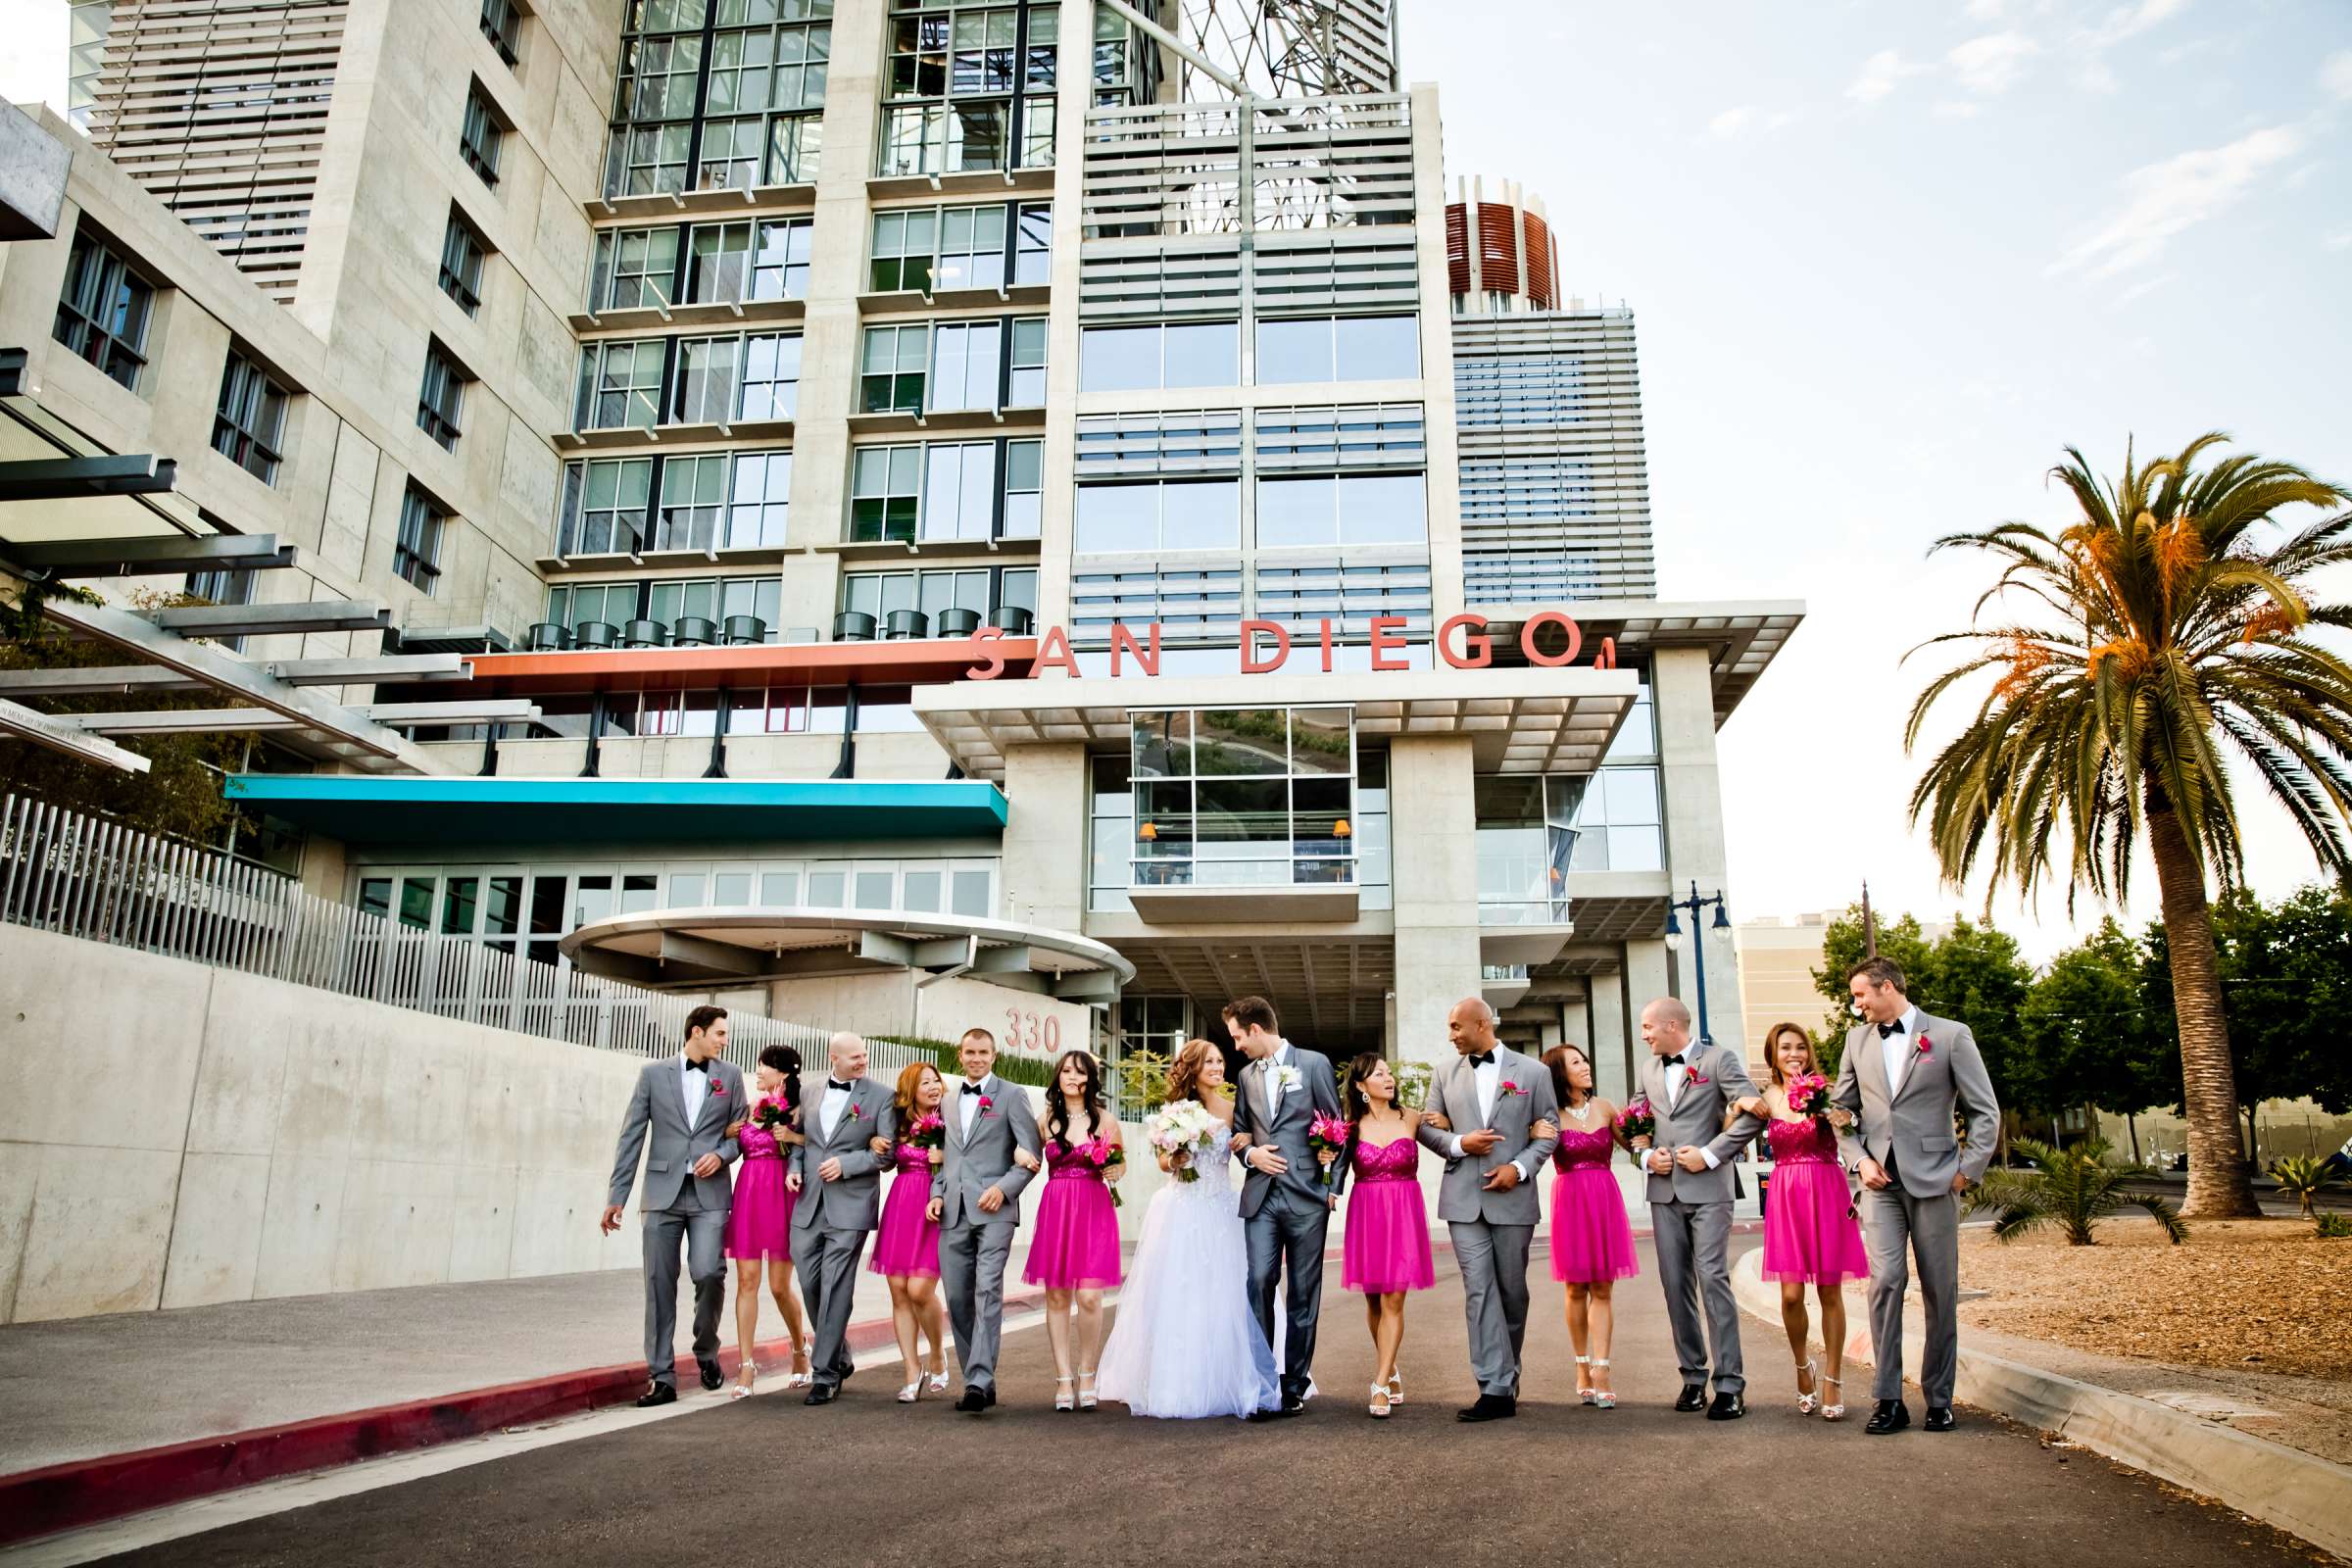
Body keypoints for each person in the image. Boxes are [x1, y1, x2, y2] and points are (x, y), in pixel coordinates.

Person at [1833, 956, 2000, 1435]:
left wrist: (1967, 1170)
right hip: (1878, 1184)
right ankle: (1887, 1399)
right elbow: (1841, 1112)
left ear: (1887, 988)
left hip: (1936, 1179)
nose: (1857, 1004)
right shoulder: (1856, 1040)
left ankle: (1940, 1398)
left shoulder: (1950, 1035)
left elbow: (1984, 1111)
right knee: (1885, 1281)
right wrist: (1859, 1159)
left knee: (1939, 1289)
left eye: (1861, 994)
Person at [1096, 1038, 1280, 1420]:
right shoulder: (1175, 1112)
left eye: (1219, 1061)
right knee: (1181, 1294)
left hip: (1220, 1208)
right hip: (1179, 1208)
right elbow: (1163, 1161)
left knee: (1227, 1293)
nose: (1217, 1067)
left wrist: (1245, 1142)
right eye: (1208, 1062)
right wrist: (1175, 1157)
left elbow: (1246, 1149)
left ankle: (1233, 1376)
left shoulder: (1234, 1110)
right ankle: (1180, 1381)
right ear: (1193, 1068)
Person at [1415, 997, 1560, 1422]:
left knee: (1512, 1291)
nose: (1451, 1035)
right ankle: (1493, 1387)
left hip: (1512, 1197)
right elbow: (1426, 1126)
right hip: (1462, 1200)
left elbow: (1548, 1133)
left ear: (1482, 1023)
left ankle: (1507, 1374)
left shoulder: (1532, 1072)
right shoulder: (1443, 1073)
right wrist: (1461, 1143)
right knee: (1479, 1289)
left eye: (1457, 1027)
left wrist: (1518, 1168)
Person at [601, 1004, 745, 1407]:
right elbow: (631, 1136)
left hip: (710, 1194)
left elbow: (740, 1135)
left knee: (709, 1271)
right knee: (658, 1284)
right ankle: (661, 1377)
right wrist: (617, 1197)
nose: (725, 1040)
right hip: (661, 1194)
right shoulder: (652, 1074)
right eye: (719, 1033)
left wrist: (721, 1154)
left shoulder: (731, 1077)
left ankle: (706, 1349)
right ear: (696, 1032)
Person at [1634, 996, 1764, 1420]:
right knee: (1675, 1286)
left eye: (1648, 1027)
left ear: (1672, 1025)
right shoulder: (1649, 1069)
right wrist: (1647, 1156)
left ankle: (1729, 1386)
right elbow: (1636, 1123)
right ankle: (1692, 1378)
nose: (1644, 1035)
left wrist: (1710, 1154)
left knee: (1712, 1280)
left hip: (1709, 1188)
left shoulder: (1719, 1060)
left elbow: (1754, 1112)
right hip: (1663, 1192)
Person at [1734, 1021, 1870, 1422]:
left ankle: (1833, 1377)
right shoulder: (1766, 1099)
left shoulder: (1826, 1092)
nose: (1794, 1054)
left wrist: (1838, 1115)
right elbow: (1729, 1134)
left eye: (1799, 1048)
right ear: (1772, 1056)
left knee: (1830, 1291)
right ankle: (1802, 1366)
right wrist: (1735, 1105)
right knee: (1791, 1295)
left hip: (1827, 1189)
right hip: (1786, 1194)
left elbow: (1854, 1123)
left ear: (1808, 1053)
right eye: (1784, 1048)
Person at [1227, 995, 1343, 1420]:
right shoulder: (1245, 1076)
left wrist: (1332, 1186)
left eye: (1239, 1037)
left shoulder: (1314, 1064)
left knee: (1303, 1293)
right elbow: (1240, 1132)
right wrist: (1249, 1155)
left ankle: (1293, 1386)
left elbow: (1336, 1128)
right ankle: (1262, 1384)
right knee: (1257, 1279)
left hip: (1308, 1196)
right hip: (1261, 1195)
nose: (1236, 1046)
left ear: (1256, 1030)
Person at [930, 1026, 1043, 1415]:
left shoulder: (1012, 1096)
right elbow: (946, 1158)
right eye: (969, 1052)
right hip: (953, 1213)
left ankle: (977, 1381)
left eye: (983, 1052)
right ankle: (977, 1379)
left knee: (987, 1292)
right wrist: (936, 1194)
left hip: (995, 1212)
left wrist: (1005, 1188)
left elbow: (1031, 1155)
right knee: (957, 1298)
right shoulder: (946, 1101)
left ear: (994, 1056)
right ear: (959, 1055)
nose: (976, 1058)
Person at [787, 1032, 894, 1406]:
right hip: (808, 1203)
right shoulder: (811, 1092)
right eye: (855, 1057)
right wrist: (794, 1168)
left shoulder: (881, 1096)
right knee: (810, 1282)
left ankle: (825, 1375)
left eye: (864, 1055)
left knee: (836, 1287)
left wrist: (847, 1164)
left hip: (851, 1206)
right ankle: (840, 1354)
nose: (862, 1061)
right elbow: (799, 1141)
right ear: (834, 1057)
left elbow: (887, 1153)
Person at [1023, 1049, 1123, 1411]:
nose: (1073, 1077)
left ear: (1090, 1079)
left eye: (1081, 1072)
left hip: (1094, 1207)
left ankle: (1087, 1373)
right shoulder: (1044, 1119)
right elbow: (1025, 1156)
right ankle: (1063, 1377)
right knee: (1058, 1296)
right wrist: (1022, 1156)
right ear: (1059, 1076)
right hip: (1057, 1207)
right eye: (1066, 1070)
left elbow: (1120, 1162)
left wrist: (1115, 1169)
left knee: (1091, 1297)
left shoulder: (1107, 1121)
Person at [1337, 1054, 1432, 1419]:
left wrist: (1461, 1137)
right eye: (1379, 1074)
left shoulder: (1411, 1118)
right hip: (1367, 1213)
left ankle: (1378, 1381)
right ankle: (1390, 1366)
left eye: (1389, 1072)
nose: (1388, 1078)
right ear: (1361, 1086)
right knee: (1374, 1302)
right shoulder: (1350, 1127)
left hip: (1404, 1211)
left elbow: (1444, 1141)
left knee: (1394, 1300)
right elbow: (1336, 1168)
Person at [1542, 1042, 1636, 1411]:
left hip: (1604, 1199)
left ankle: (1602, 1369)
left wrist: (1647, 1139)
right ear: (1559, 1073)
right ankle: (1581, 1364)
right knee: (1575, 1289)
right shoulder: (1549, 1116)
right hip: (1570, 1200)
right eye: (1576, 1062)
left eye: (1585, 1059)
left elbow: (1636, 1147)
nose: (1585, 1066)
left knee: (1603, 1287)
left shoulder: (1606, 1108)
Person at [722, 1044, 811, 1397]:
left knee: (777, 1285)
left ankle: (800, 1348)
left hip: (781, 1196)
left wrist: (793, 1137)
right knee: (746, 1280)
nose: (757, 1072)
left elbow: (812, 1145)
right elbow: (735, 1144)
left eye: (763, 1066)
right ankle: (746, 1366)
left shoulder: (799, 1110)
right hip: (748, 1194)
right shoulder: (750, 1110)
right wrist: (730, 1133)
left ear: (784, 1072)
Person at [867, 1061, 950, 1402]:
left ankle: (936, 1351)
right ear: (910, 1090)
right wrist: (874, 1141)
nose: (933, 1087)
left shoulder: (951, 1118)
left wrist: (945, 1156)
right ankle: (911, 1371)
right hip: (902, 1204)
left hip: (934, 1206)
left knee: (919, 1289)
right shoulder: (899, 1121)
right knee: (899, 1290)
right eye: (925, 1083)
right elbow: (886, 1160)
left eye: (936, 1081)